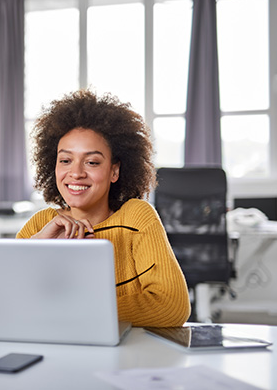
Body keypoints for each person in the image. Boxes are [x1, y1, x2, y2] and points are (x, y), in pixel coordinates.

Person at [17, 89, 191, 327]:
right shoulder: (40, 225)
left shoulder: (137, 218)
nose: (76, 173)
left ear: (114, 171)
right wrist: (35, 251)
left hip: (127, 357)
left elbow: (171, 306)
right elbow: (10, 305)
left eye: (92, 162)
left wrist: (72, 311)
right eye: (65, 160)